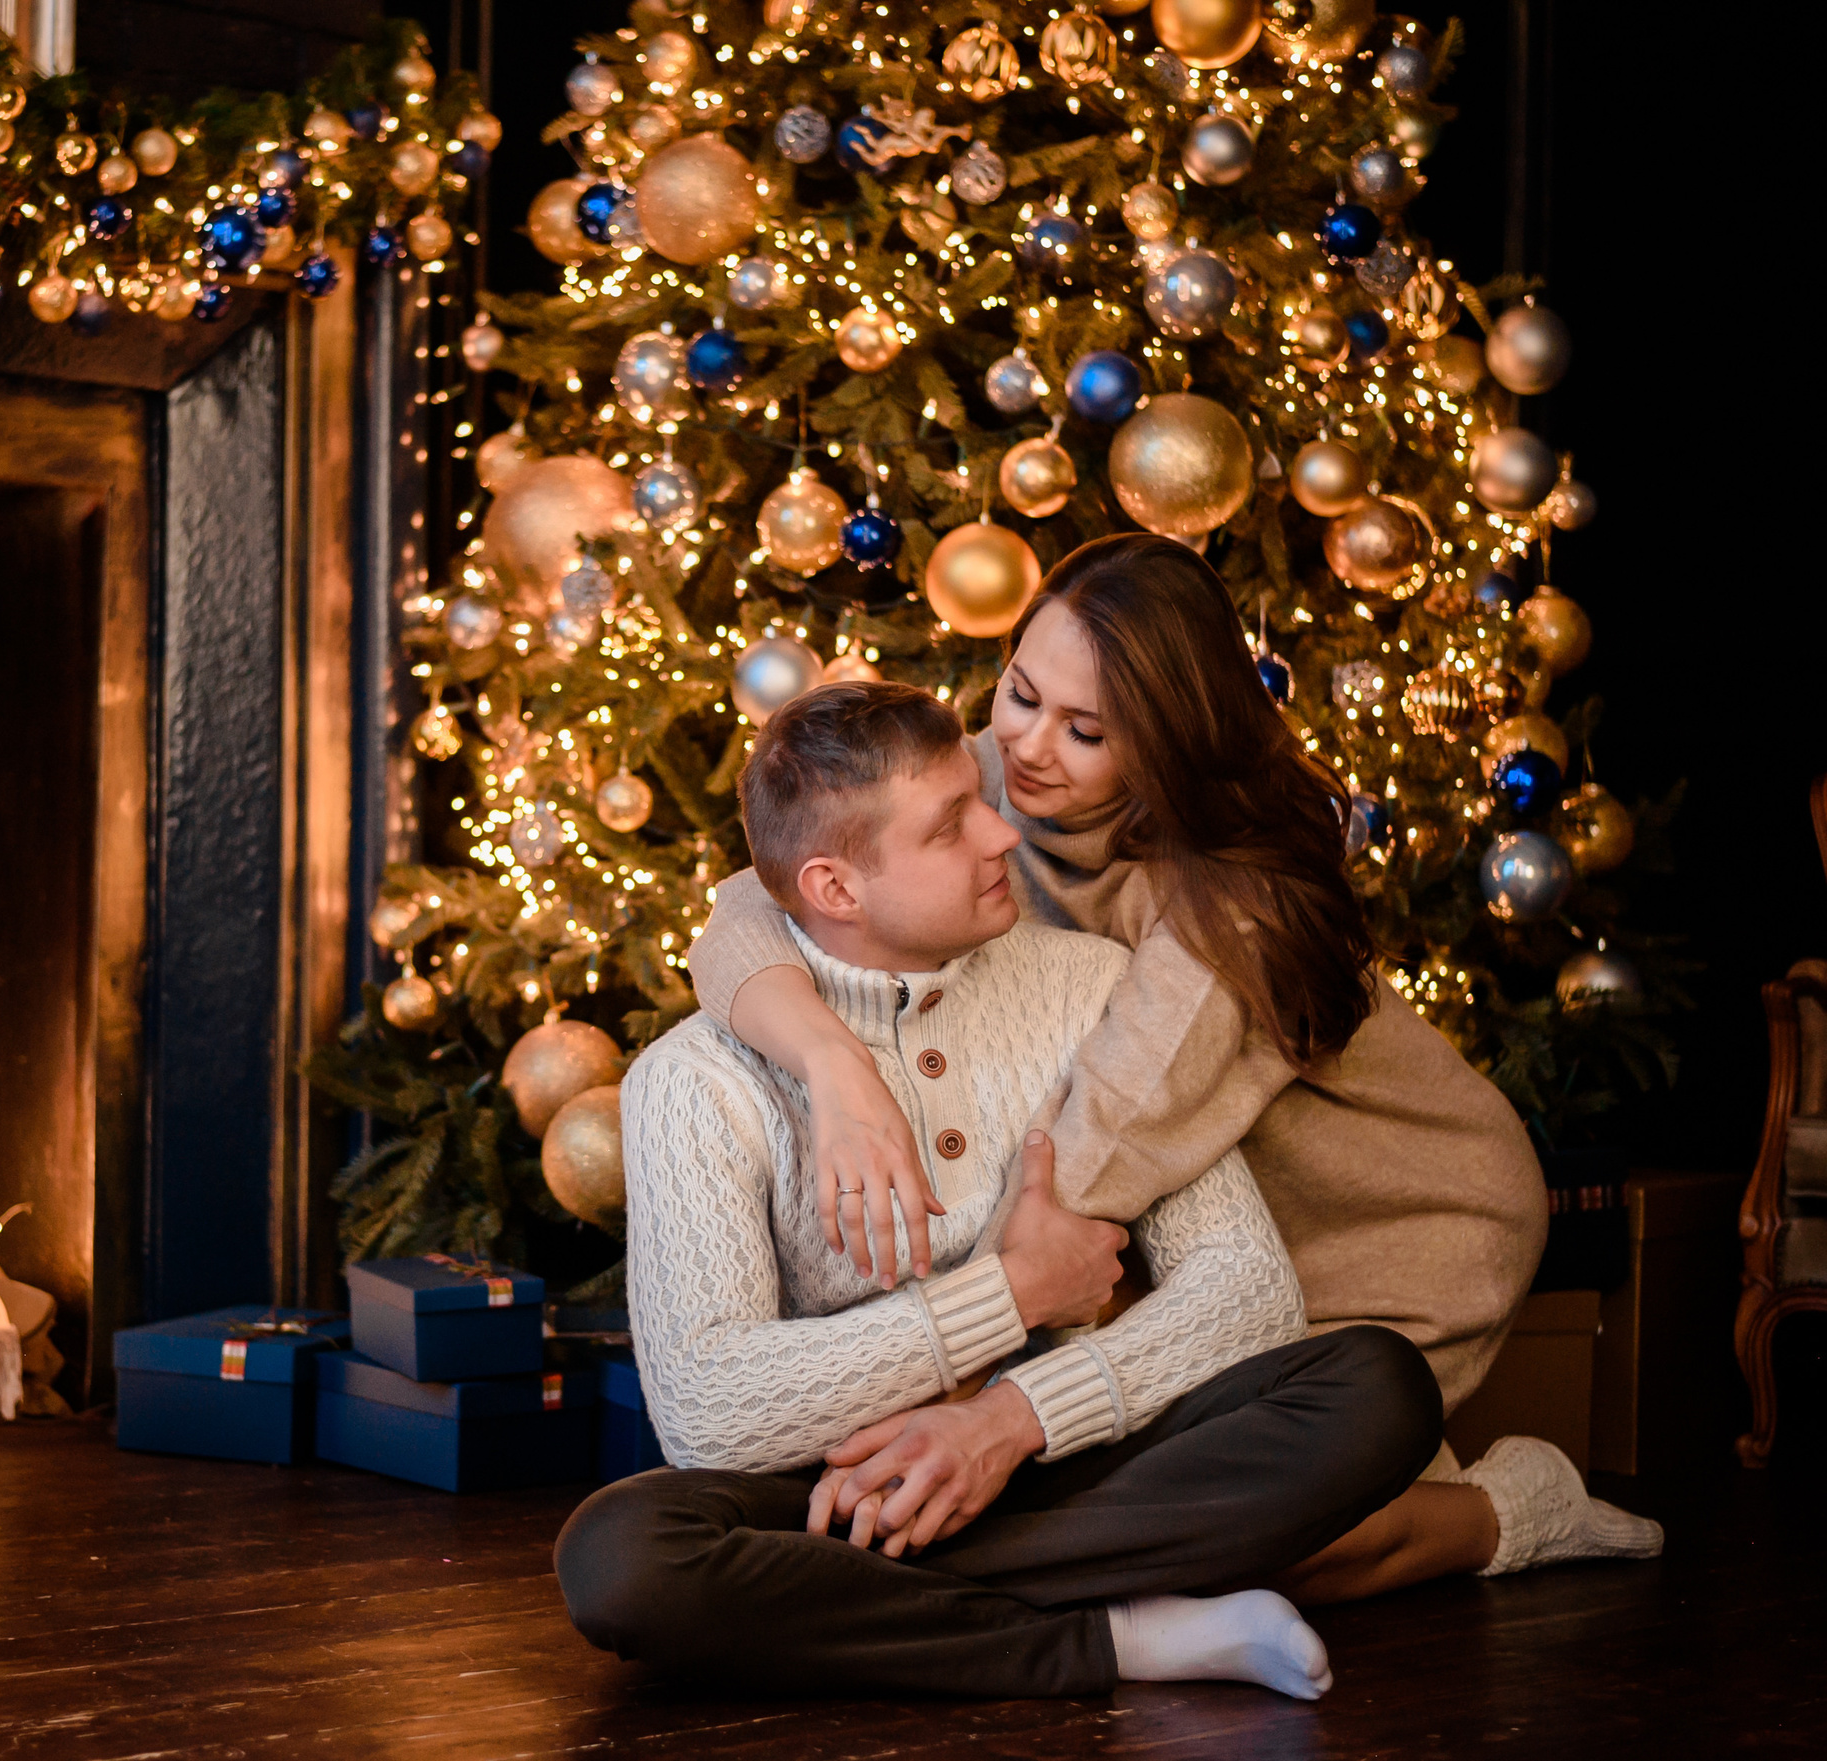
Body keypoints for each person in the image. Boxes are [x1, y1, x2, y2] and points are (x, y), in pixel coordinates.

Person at [683, 533, 1659, 1599]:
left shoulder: (1223, 908)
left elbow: (1080, 1173)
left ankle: (1505, 1512)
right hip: (1218, 1215)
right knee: (1126, 1519)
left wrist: (964, 1412)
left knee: (1228, 1549)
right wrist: (836, 1071)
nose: (1026, 748)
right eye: (1019, 692)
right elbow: (756, 901)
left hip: (1401, 1222)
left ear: (1167, 744)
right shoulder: (996, 776)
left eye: (1086, 729)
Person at [557, 679, 1445, 1699]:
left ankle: (901, 1616)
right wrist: (1013, 1295)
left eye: (980, 796)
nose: (1000, 834)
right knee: (622, 1558)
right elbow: (708, 1414)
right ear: (836, 889)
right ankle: (1118, 1638)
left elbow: (1247, 1290)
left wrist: (1007, 1419)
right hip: (839, 1490)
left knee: (1376, 1386)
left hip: (1073, 1446)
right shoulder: (690, 1080)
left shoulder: (1087, 986)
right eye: (950, 826)